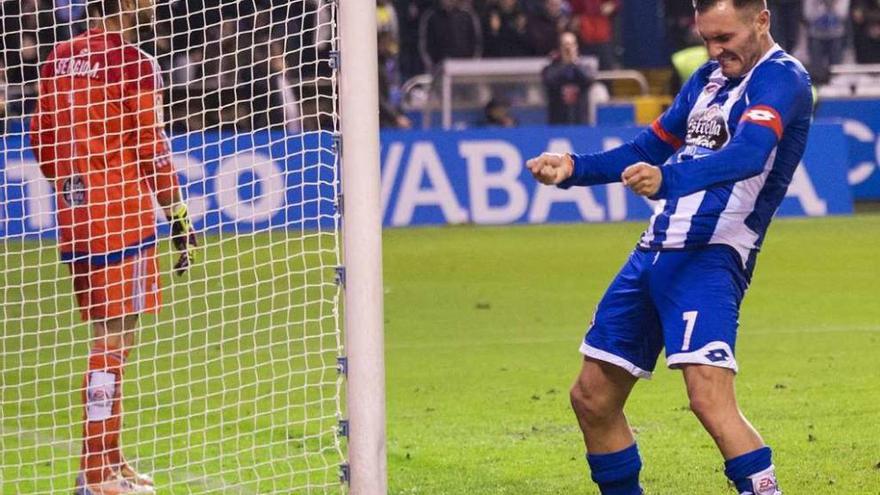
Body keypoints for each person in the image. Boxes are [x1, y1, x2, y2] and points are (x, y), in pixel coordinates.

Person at [526, 0, 812, 493]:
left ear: (761, 21)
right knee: (592, 397)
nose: (715, 50)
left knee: (708, 399)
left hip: (713, 254)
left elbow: (748, 154)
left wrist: (668, 180)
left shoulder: (783, 79)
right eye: (707, 38)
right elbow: (645, 149)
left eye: (725, 38)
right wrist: (574, 168)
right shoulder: (706, 80)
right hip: (654, 251)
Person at [29, 0, 198, 493]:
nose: (153, 5)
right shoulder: (134, 62)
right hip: (122, 216)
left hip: (74, 216)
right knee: (112, 343)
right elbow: (153, 148)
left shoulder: (57, 57)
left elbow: (40, 137)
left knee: (113, 340)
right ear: (124, 5)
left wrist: (71, 186)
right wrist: (179, 215)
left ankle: (110, 459)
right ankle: (95, 473)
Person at [542, 31, 594, 125]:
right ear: (560, 48)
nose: (568, 48)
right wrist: (564, 63)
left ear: (576, 47)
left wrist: (574, 63)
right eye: (565, 45)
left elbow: (589, 79)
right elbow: (548, 80)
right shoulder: (550, 68)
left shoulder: (585, 67)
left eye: (571, 44)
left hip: (580, 121)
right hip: (558, 122)